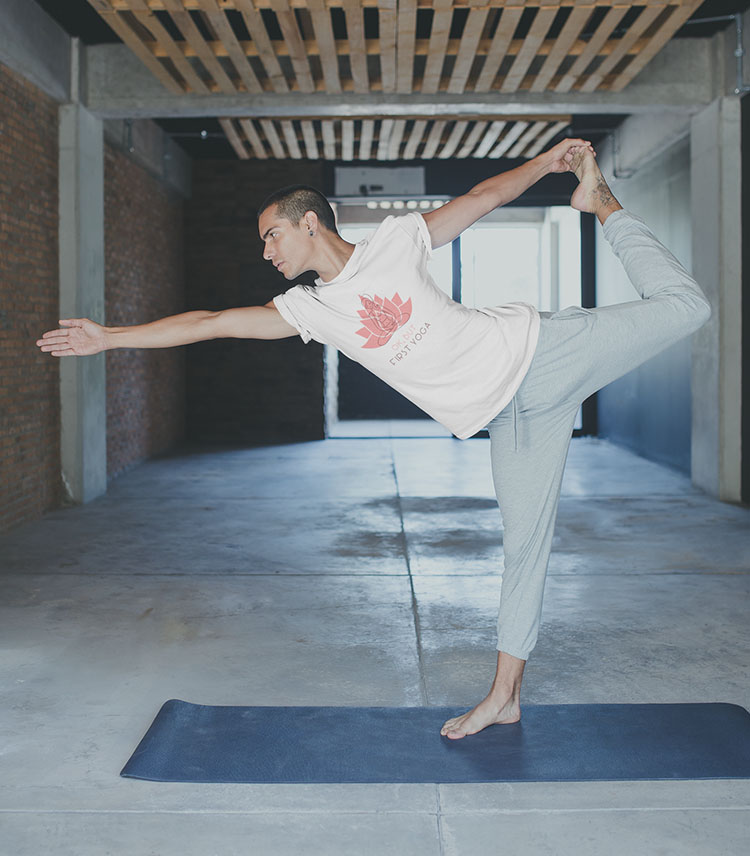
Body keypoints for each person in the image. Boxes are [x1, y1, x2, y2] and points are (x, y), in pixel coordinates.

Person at [36, 143, 710, 739]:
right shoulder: (309, 308)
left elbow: (482, 197)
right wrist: (110, 338)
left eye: (272, 236)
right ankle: (504, 698)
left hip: (540, 352)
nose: (267, 253)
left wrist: (549, 164)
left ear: (310, 222)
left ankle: (603, 204)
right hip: (510, 418)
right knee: (524, 550)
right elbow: (212, 321)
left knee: (688, 307)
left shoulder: (395, 241)